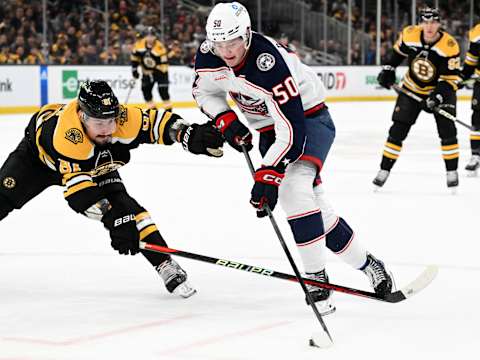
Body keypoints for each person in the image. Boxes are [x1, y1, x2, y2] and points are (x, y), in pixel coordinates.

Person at [192, 2, 393, 314]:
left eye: (232, 43)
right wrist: (226, 121)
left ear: (246, 34)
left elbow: (293, 130)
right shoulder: (209, 55)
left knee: (293, 190)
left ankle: (316, 279)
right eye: (220, 44)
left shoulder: (268, 63)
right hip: (270, 130)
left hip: (308, 120)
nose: (227, 52)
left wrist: (269, 173)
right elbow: (204, 92)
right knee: (316, 212)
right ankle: (368, 264)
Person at [0, 80, 224, 298]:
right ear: (82, 116)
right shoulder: (68, 137)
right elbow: (80, 193)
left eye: (111, 120)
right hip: (36, 162)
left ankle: (164, 263)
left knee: (129, 210)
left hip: (93, 159)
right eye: (99, 123)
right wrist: (112, 219)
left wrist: (187, 134)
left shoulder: (123, 119)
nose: (107, 130)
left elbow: (158, 123)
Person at [374, 7, 461, 190]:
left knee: (448, 132)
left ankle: (452, 173)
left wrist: (436, 97)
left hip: (440, 91)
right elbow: (398, 53)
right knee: (397, 130)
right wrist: (389, 68)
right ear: (420, 23)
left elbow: (450, 79)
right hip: (411, 88)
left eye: (433, 22)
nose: (429, 26)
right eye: (426, 22)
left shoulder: (449, 46)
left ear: (439, 24)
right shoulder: (409, 34)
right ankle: (384, 169)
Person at [131, 26, 172, 111]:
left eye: (152, 36)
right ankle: (153, 111)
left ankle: (169, 113)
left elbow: (164, 64)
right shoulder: (139, 45)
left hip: (161, 72)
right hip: (147, 72)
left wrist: (154, 69)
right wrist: (134, 69)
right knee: (146, 91)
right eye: (148, 36)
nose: (150, 38)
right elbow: (134, 57)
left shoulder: (160, 47)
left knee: (163, 91)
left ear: (155, 37)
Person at [460, 23, 480, 175]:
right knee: (477, 120)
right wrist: (463, 76)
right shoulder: (477, 32)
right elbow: (472, 58)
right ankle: (476, 156)